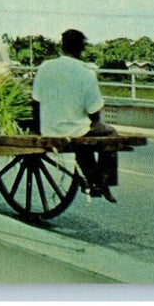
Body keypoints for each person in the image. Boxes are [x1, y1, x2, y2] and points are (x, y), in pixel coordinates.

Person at [31, 29, 118, 202]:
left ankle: (94, 180)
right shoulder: (87, 73)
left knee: (84, 134)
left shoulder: (45, 67)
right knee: (110, 134)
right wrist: (93, 123)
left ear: (62, 46)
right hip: (76, 130)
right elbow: (94, 111)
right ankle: (103, 180)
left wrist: (37, 127)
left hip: (47, 128)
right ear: (81, 48)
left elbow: (36, 101)